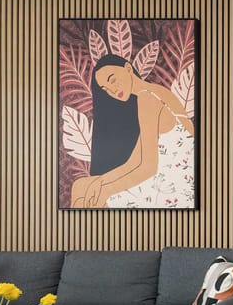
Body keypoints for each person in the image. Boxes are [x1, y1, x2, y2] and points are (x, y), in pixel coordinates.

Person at [70, 54, 195, 208]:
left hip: (175, 184)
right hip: (175, 177)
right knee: (81, 186)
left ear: (128, 68)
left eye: (112, 80)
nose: (112, 90)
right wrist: (101, 182)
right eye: (106, 89)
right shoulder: (153, 92)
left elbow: (148, 167)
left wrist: (107, 189)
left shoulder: (147, 98)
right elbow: (135, 161)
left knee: (95, 198)